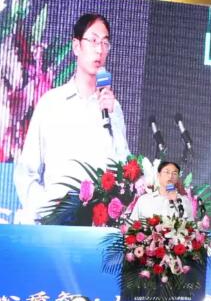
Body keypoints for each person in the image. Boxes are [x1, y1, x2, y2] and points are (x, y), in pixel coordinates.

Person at [13, 13, 130, 223]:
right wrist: (44, 210)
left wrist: (112, 116)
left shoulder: (113, 107)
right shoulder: (51, 103)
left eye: (105, 43)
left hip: (98, 225)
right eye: (93, 40)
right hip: (55, 225)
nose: (99, 49)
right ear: (76, 46)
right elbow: (26, 172)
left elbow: (125, 169)